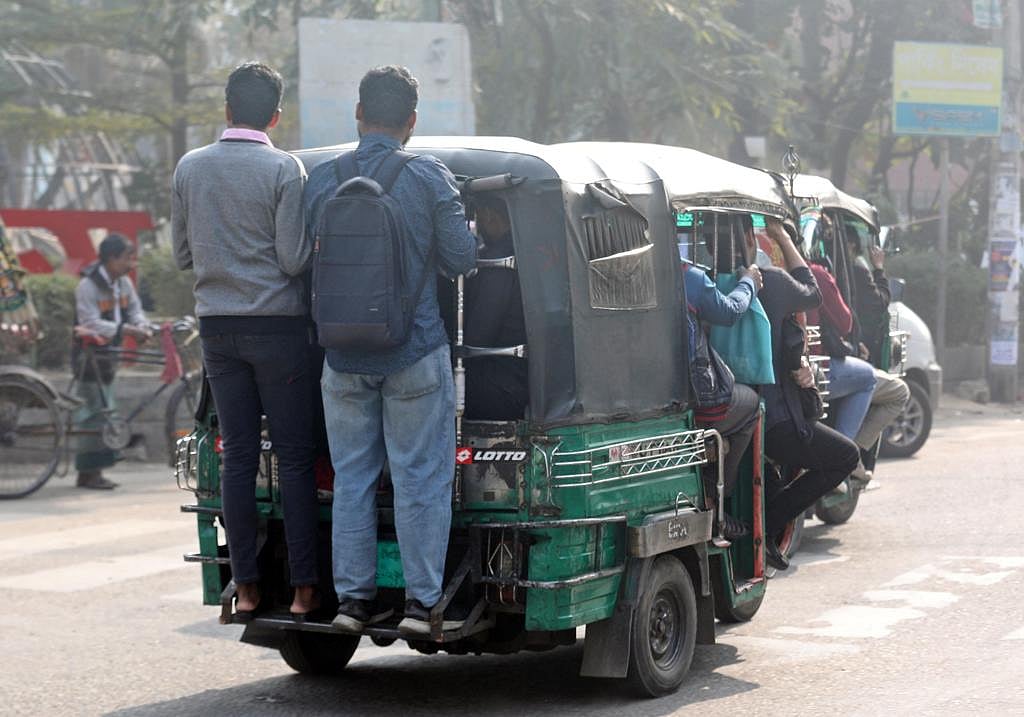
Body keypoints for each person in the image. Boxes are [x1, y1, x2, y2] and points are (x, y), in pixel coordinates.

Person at [304, 65, 477, 636]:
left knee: (352, 479)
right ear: (412, 122)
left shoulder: (322, 179)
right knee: (419, 478)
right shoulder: (428, 176)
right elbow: (460, 258)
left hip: (342, 359)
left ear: (358, 114)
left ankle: (353, 603)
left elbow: (307, 260)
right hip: (413, 351)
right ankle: (422, 604)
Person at [172, 62, 319, 620]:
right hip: (277, 330)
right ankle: (305, 590)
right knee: (296, 458)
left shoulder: (191, 168)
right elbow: (290, 258)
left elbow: (183, 255)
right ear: (276, 116)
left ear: (227, 110)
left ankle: (249, 588)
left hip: (217, 331)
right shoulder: (286, 170)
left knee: (237, 456)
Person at [753, 217, 859, 570]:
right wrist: (782, 235)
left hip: (742, 406)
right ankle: (770, 518)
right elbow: (811, 290)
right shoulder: (771, 283)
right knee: (846, 456)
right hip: (773, 417)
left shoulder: (712, 280)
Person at [683, 231, 763, 539]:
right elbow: (729, 312)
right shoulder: (689, 277)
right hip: (699, 402)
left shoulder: (618, 277)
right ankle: (716, 498)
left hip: (651, 399)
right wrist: (750, 283)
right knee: (753, 405)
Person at [72, 234, 151, 490]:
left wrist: (141, 326)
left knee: (106, 409)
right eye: (127, 258)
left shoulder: (123, 283)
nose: (132, 263)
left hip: (109, 356)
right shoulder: (88, 285)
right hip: (88, 357)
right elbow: (90, 322)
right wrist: (127, 330)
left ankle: (96, 469)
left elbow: (135, 310)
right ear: (111, 258)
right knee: (92, 412)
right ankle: (88, 472)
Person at [844, 231, 911, 479]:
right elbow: (880, 301)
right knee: (895, 390)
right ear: (851, 244)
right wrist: (879, 269)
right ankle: (851, 455)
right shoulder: (858, 272)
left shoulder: (825, 272)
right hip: (847, 360)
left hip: (843, 353)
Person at [463, 198, 527, 421]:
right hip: (524, 378)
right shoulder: (530, 250)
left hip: (501, 384)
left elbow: (479, 334)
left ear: (488, 214)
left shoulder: (497, 261)